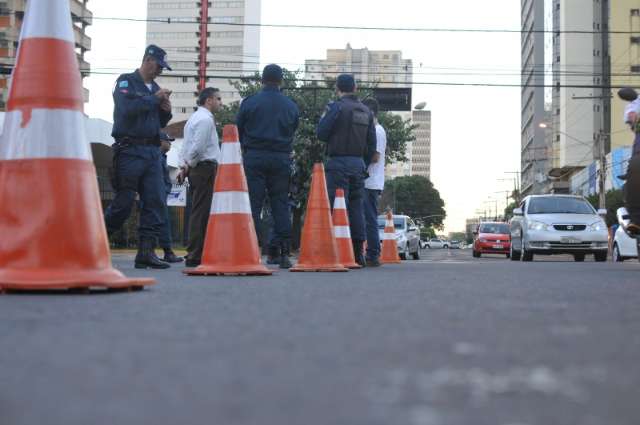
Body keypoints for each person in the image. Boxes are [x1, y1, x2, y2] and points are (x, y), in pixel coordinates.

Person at [105, 44, 173, 269]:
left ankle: (146, 253)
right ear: (148, 60)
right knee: (123, 203)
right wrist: (154, 99)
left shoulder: (155, 88)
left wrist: (165, 108)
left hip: (152, 152)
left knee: (154, 202)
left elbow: (159, 123)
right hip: (129, 150)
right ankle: (97, 242)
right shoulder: (126, 81)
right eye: (159, 66)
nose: (160, 71)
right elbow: (126, 109)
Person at [236, 64, 300, 269]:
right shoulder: (291, 105)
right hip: (281, 158)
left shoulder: (249, 102)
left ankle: (250, 249)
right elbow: (293, 129)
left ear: (262, 80)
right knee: (280, 204)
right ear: (281, 81)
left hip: (254, 157)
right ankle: (282, 252)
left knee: (252, 205)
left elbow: (239, 128)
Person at [317, 74, 377, 267]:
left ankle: (337, 252)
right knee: (356, 208)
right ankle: (358, 253)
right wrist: (363, 164)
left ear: (337, 88)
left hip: (338, 164)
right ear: (355, 87)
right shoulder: (366, 111)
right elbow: (371, 144)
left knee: (337, 208)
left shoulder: (336, 107)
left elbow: (321, 134)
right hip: (358, 164)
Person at [178, 87, 223, 267]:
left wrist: (185, 166)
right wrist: (189, 164)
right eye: (218, 99)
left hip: (196, 168)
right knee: (201, 213)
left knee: (198, 211)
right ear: (209, 100)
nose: (221, 103)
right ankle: (195, 254)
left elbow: (186, 147)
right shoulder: (205, 120)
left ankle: (196, 252)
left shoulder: (193, 119)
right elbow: (198, 148)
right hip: (204, 168)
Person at [362, 98, 386, 267]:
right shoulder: (375, 130)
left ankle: (373, 254)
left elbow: (375, 156)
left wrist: (359, 164)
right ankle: (372, 252)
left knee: (369, 218)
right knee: (367, 218)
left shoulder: (377, 131)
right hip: (370, 181)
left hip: (370, 181)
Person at [157, 132, 183, 263]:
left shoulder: (160, 157)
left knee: (157, 223)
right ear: (161, 141)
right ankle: (168, 252)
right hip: (157, 194)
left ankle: (150, 251)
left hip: (160, 194)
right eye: (168, 141)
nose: (170, 143)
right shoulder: (157, 157)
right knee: (163, 222)